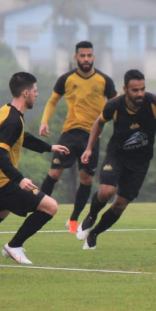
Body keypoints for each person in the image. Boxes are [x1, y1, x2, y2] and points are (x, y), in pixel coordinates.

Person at [0, 72, 69, 265]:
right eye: (35, 91)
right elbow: (0, 154)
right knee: (50, 207)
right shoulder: (12, 120)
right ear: (26, 93)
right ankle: (14, 246)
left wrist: (49, 148)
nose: (37, 95)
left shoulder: (7, 111)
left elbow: (22, 137)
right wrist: (19, 179)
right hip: (0, 181)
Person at [75, 69, 156, 250]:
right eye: (135, 90)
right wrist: (88, 148)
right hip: (116, 156)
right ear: (125, 89)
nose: (140, 93)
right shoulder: (115, 105)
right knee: (106, 191)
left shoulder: (154, 104)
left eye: (142, 89)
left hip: (140, 163)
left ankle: (94, 233)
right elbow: (99, 123)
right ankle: (91, 216)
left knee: (119, 205)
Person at [38, 41, 117, 234]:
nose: (86, 59)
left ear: (93, 57)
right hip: (69, 134)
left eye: (89, 55)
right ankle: (37, 206)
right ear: (76, 58)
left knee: (86, 179)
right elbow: (52, 100)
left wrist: (122, 126)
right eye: (82, 56)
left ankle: (73, 219)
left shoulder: (104, 80)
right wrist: (44, 121)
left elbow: (116, 105)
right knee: (55, 173)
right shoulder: (66, 79)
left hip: (92, 137)